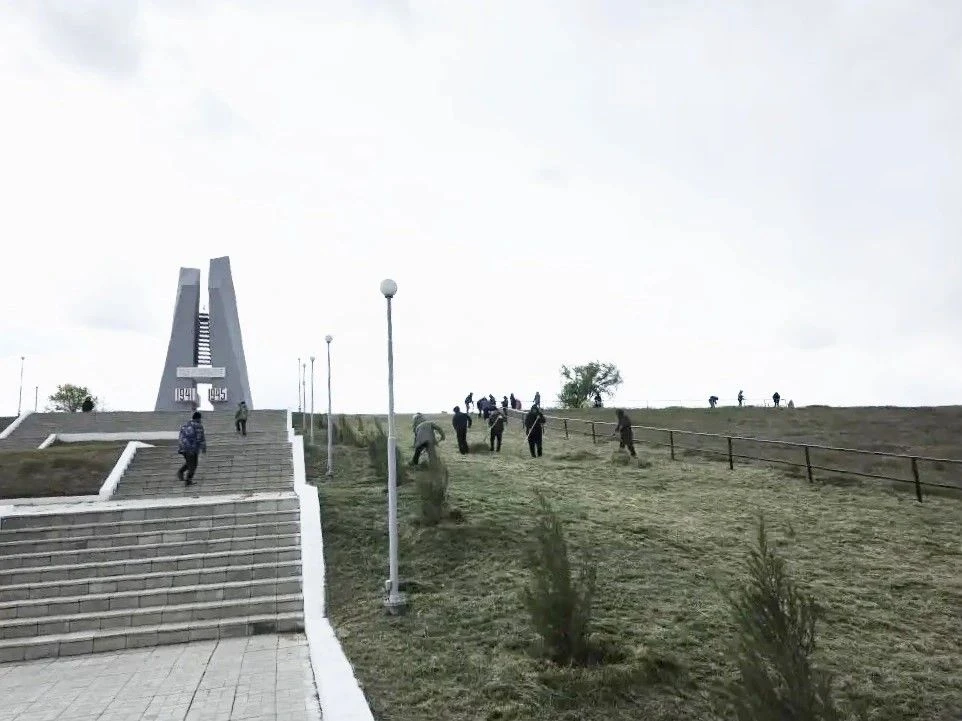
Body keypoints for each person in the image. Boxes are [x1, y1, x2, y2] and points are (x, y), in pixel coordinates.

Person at [177, 411, 207, 486]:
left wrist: (181, 447)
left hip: (183, 447)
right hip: (192, 448)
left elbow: (180, 436)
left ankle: (181, 472)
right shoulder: (198, 426)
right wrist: (203, 448)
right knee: (193, 465)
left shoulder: (185, 425)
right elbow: (200, 438)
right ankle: (187, 479)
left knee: (189, 463)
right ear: (199, 418)